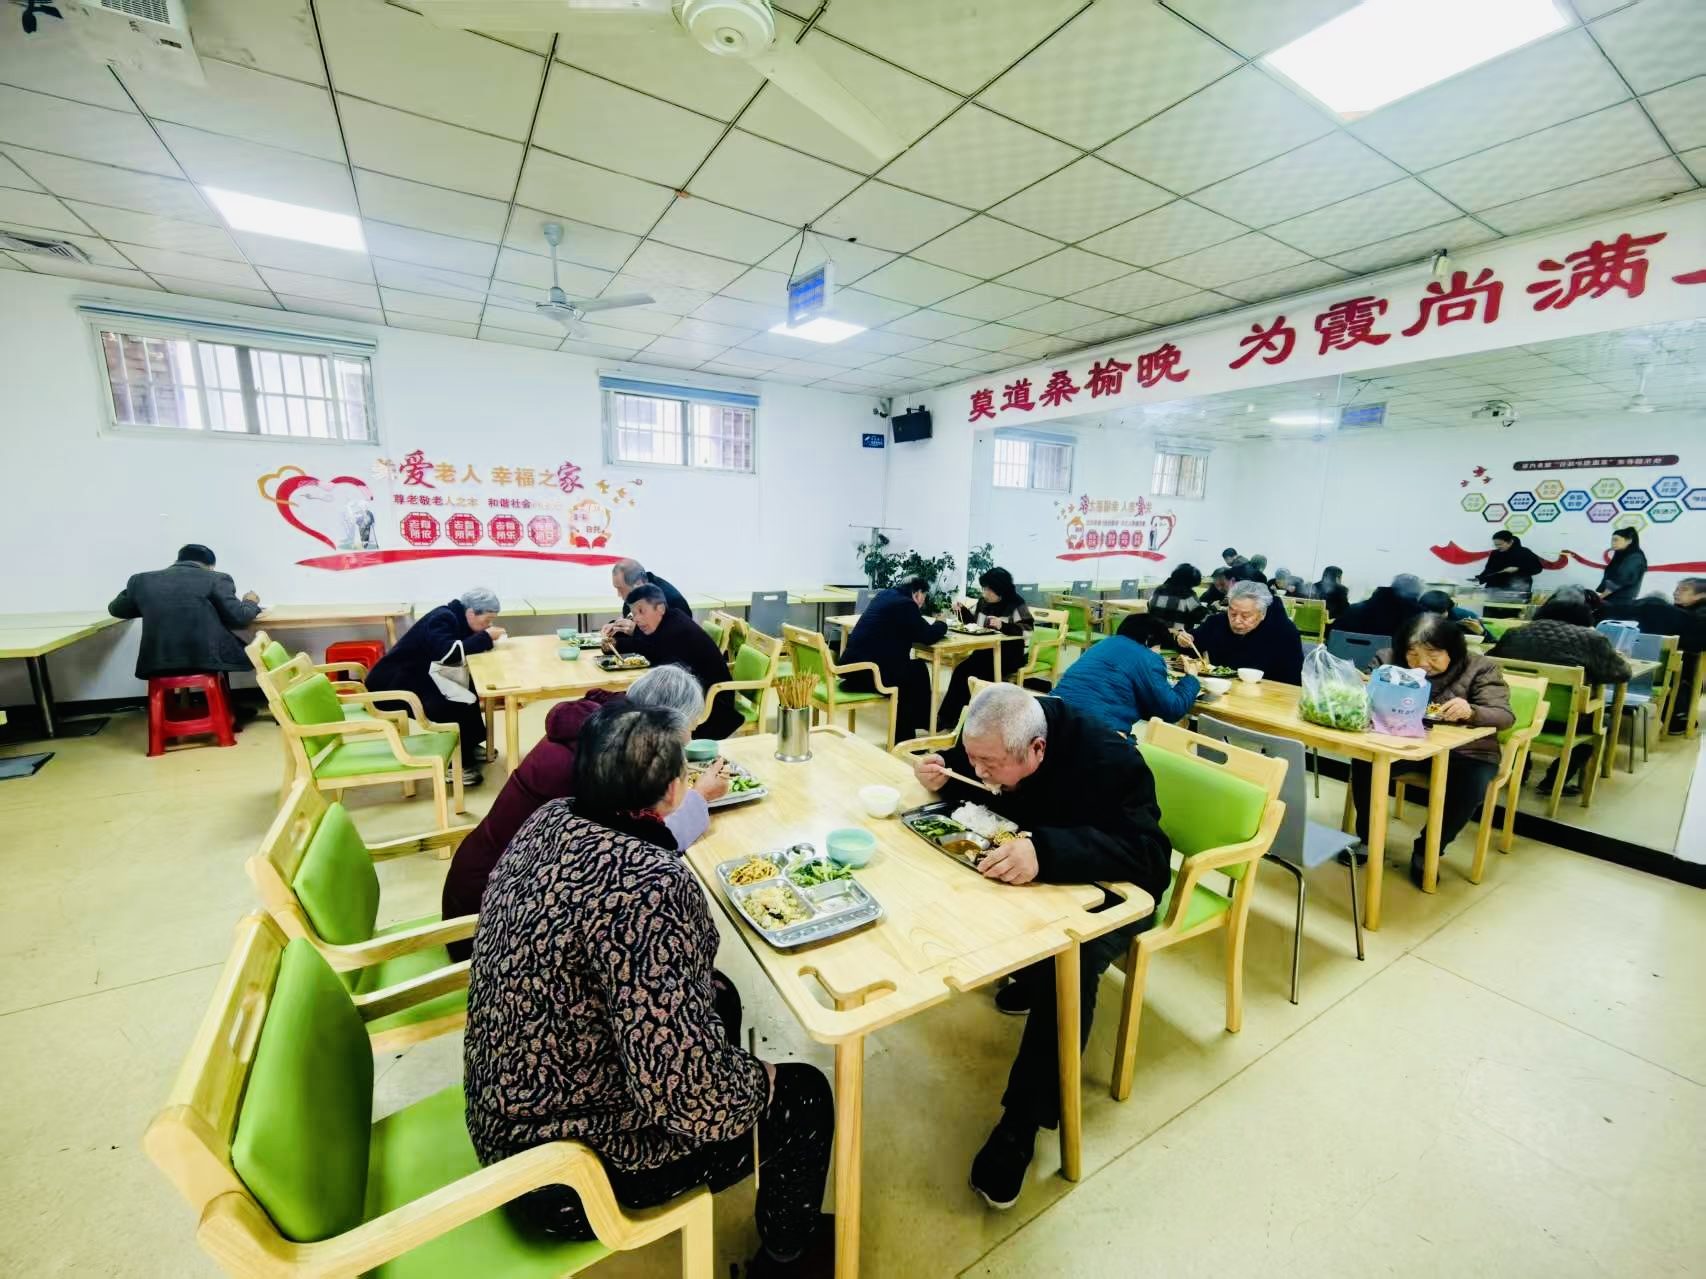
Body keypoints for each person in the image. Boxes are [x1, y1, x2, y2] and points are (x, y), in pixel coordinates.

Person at [465, 706, 834, 1274]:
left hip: (508, 1107)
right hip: (563, 1176)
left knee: (720, 994)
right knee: (804, 1097)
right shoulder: (649, 885)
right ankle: (787, 1255)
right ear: (674, 789)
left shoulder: (550, 819)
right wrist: (757, 1084)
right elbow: (686, 1090)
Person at [910, 685, 1169, 1211]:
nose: (979, 770)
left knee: (1067, 960)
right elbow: (973, 775)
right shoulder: (996, 736)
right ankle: (1025, 977)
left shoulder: (1109, 760)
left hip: (1110, 890)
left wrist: (1046, 852)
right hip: (1034, 872)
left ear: (1037, 749)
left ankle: (1022, 1123)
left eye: (990, 764)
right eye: (974, 758)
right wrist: (942, 774)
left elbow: (1149, 857)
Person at [439, 665, 728, 959]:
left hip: (490, 886)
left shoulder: (593, 728)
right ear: (659, 726)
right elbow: (640, 852)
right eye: (687, 730)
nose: (688, 741)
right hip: (489, 924)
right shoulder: (603, 760)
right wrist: (698, 797)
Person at [1348, 613, 1513, 886]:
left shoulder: (1481, 667)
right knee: (1366, 763)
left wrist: (1472, 711)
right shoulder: (1387, 660)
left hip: (1466, 751)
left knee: (1471, 784)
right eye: (1412, 654)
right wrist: (1359, 687)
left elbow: (1504, 716)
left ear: (1453, 650)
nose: (1422, 664)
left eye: (1433, 655)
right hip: (1401, 743)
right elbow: (1366, 698)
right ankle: (1368, 839)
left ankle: (1429, 850)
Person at [1490, 588, 1630, 795]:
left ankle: (1519, 771)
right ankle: (1555, 781)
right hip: (1565, 722)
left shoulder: (1515, 633)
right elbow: (1621, 674)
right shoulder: (1592, 639)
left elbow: (1491, 661)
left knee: (1528, 708)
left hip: (1517, 713)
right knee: (1602, 722)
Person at [367, 588, 504, 786]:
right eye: (487, 620)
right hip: (390, 686)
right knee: (451, 703)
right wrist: (486, 637)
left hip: (415, 677)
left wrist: (484, 636)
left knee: (467, 691)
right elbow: (447, 653)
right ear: (471, 613)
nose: (488, 625)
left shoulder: (457, 618)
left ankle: (467, 745)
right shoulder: (442, 618)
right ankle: (454, 765)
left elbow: (460, 647)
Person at [108, 543, 262, 680]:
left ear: (178, 560)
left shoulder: (140, 580)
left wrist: (143, 597)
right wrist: (250, 602)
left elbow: (117, 609)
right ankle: (230, 702)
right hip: (207, 660)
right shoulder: (216, 578)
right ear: (210, 566)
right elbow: (240, 617)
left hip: (157, 663)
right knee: (254, 651)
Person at [609, 585, 742, 739]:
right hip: (694, 691)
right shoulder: (669, 621)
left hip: (714, 704)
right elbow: (648, 646)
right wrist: (615, 643)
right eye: (633, 614)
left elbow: (651, 650)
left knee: (641, 711)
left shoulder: (676, 630)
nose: (637, 619)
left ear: (660, 609)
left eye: (641, 611)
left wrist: (616, 644)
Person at [1053, 613, 1200, 736]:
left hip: (1053, 717)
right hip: (1095, 733)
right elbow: (1172, 709)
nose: (1159, 652)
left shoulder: (1103, 644)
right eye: (1159, 646)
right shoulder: (1147, 657)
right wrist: (1191, 678)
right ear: (1148, 639)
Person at [838, 575, 947, 741]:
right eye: (923, 598)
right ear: (918, 593)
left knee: (910, 671)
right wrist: (941, 623)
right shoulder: (906, 604)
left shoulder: (885, 595)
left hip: (851, 669)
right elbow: (927, 635)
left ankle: (919, 725)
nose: (922, 603)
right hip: (869, 673)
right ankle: (915, 731)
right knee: (916, 672)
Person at [935, 567, 1034, 728]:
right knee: (961, 670)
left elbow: (1028, 630)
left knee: (974, 675)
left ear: (1000, 589)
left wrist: (1003, 626)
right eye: (984, 589)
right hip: (984, 652)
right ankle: (949, 717)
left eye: (988, 590)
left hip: (1008, 655)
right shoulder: (984, 602)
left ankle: (967, 721)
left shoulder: (1016, 604)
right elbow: (976, 624)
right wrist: (963, 611)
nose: (985, 593)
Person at [1603, 578, 1706, 732]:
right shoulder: (1676, 613)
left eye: (1684, 589)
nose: (1676, 593)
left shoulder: (1695, 618)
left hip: (1662, 672)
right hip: (1656, 674)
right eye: (1677, 589)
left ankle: (1677, 714)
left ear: (1701, 595)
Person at [1181, 580, 1304, 684]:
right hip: (1218, 690)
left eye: (1245, 616)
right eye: (1232, 613)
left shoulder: (1285, 633)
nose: (1237, 620)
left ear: (1262, 613)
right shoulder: (1217, 622)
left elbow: (1293, 681)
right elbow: (1194, 644)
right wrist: (1184, 640)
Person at [605, 558, 691, 631]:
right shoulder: (636, 593)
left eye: (620, 589)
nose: (619, 595)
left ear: (638, 583)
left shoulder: (669, 600)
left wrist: (635, 631)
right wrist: (615, 626)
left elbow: (670, 639)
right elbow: (629, 619)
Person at [1335, 574, 1425, 644]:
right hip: (1388, 661)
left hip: (1342, 658)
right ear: (1416, 596)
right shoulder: (1420, 617)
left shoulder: (1353, 610)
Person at [1474, 531, 1544, 598]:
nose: (1498, 547)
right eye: (1496, 545)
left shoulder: (1524, 552)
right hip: (1494, 588)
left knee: (1512, 606)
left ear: (1510, 542)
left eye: (1500, 544)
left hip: (1517, 588)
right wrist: (1480, 578)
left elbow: (1537, 568)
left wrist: (1518, 569)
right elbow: (1489, 569)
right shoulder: (1495, 553)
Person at [1147, 564, 1207, 633]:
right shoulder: (1187, 595)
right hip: (1177, 636)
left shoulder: (1159, 589)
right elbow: (1202, 617)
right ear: (1189, 582)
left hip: (1155, 634)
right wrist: (1214, 608)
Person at [1596, 528, 1648, 604]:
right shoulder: (1621, 554)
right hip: (1612, 599)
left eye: (1616, 540)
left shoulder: (1635, 557)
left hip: (1620, 601)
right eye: (1612, 540)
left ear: (1629, 541)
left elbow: (1620, 580)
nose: (1612, 543)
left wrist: (1599, 598)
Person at [1419, 589, 1485, 637]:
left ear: (1448, 609)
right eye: (1430, 614)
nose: (1435, 619)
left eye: (1439, 615)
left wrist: (1481, 632)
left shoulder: (1466, 617)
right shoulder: (1418, 615)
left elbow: (1489, 641)